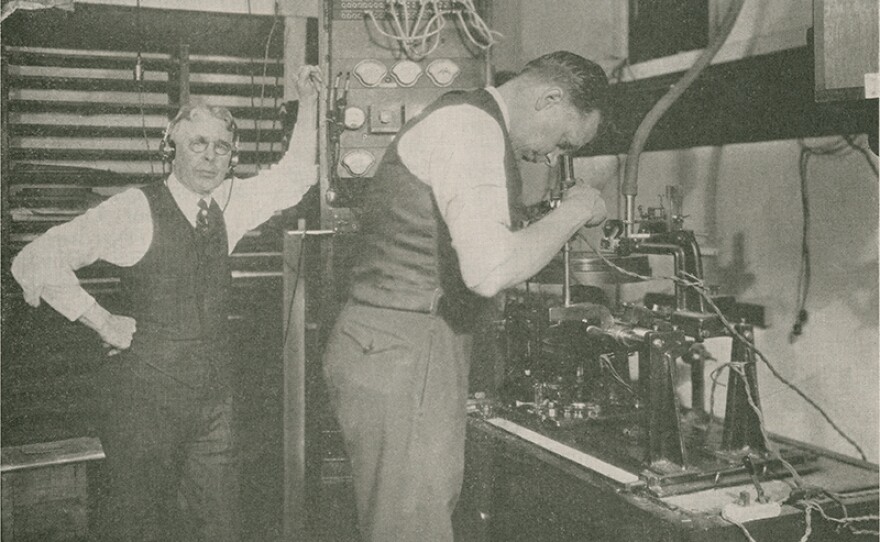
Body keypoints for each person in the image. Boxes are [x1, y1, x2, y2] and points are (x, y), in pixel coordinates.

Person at [11, 65, 322, 542]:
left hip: (213, 403)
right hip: (142, 406)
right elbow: (34, 260)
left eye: (222, 147)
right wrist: (102, 320)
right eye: (197, 143)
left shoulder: (228, 206)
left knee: (221, 525)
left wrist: (309, 100)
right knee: (141, 526)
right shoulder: (133, 208)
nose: (210, 156)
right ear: (169, 147)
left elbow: (296, 175)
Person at [322, 50, 610, 541]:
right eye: (563, 141)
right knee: (412, 528)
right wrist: (576, 210)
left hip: (402, 343)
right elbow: (490, 269)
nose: (553, 157)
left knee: (411, 516)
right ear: (550, 97)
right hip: (410, 347)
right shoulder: (471, 130)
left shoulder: (466, 119)